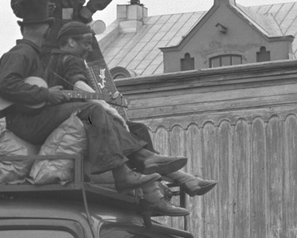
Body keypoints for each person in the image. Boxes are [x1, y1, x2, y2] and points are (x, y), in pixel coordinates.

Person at [0, 0, 173, 196]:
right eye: (48, 25)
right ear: (42, 27)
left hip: (34, 118)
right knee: (92, 111)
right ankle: (125, 173)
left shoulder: (35, 55)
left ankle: (139, 167)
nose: (50, 30)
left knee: (95, 114)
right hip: (26, 123)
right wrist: (46, 94)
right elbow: (6, 84)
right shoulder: (21, 53)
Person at [46, 21, 217, 198]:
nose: (89, 49)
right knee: (118, 126)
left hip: (80, 117)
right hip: (82, 119)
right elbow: (79, 85)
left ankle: (166, 171)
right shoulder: (70, 59)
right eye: (86, 43)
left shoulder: (55, 60)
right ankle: (170, 179)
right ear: (71, 42)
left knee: (137, 129)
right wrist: (109, 109)